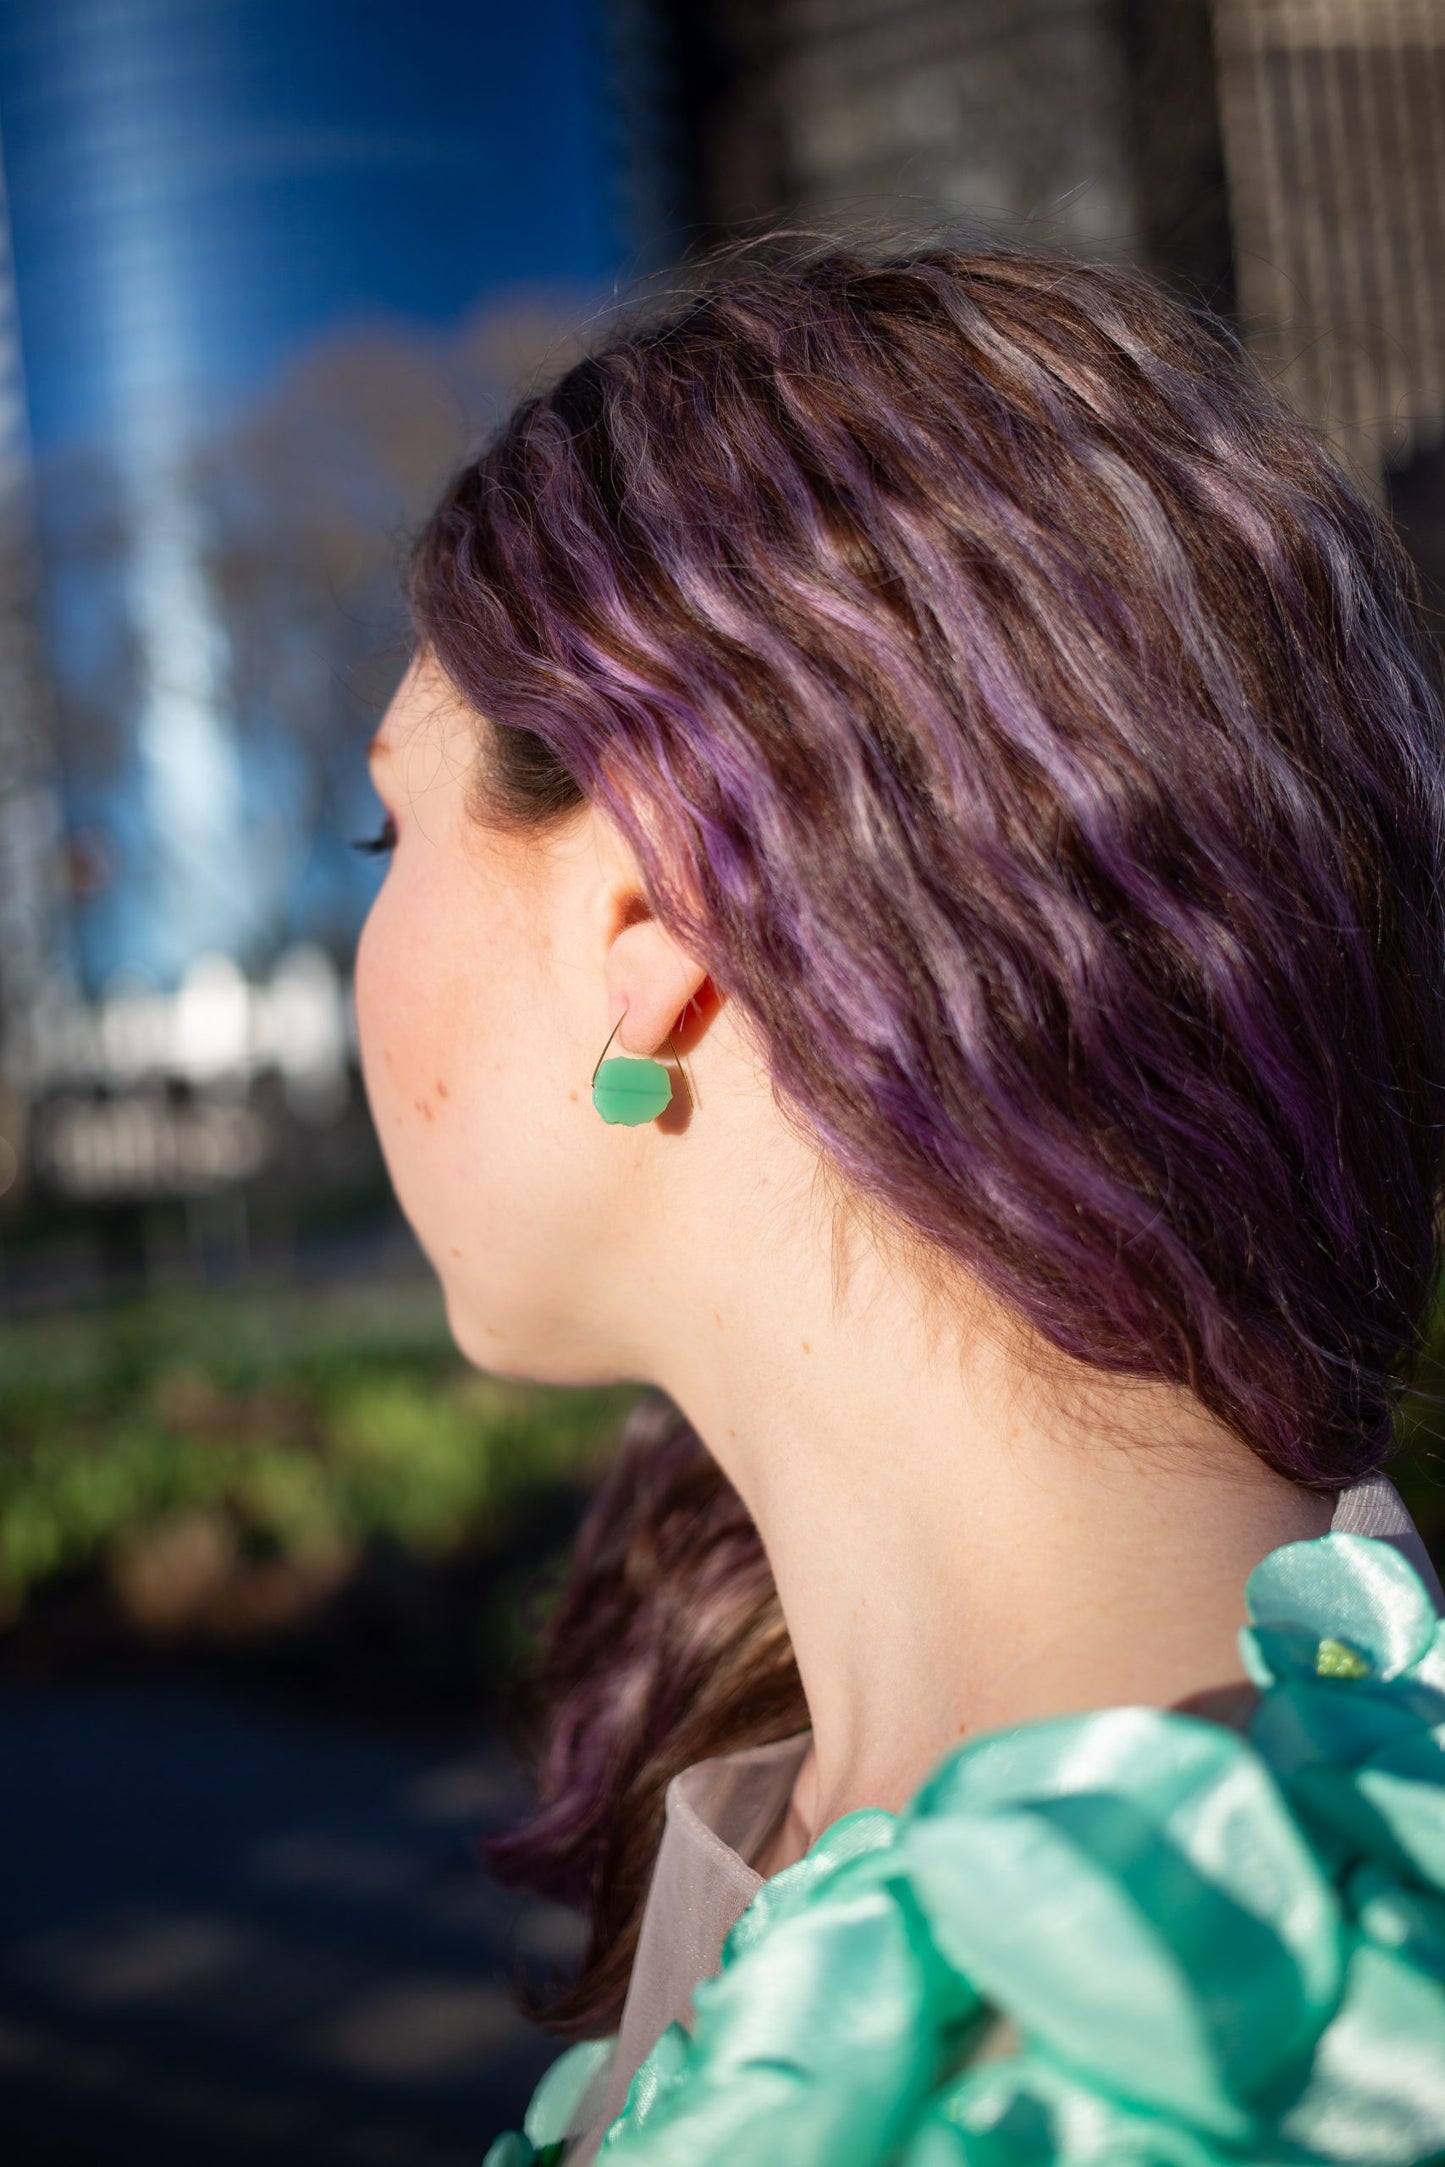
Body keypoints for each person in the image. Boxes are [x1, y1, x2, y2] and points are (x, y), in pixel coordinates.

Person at [351, 236, 1445, 2165]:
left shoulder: (1192, 2053)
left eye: (383, 826)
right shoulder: (1281, 1863)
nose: (354, 930)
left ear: (644, 922)